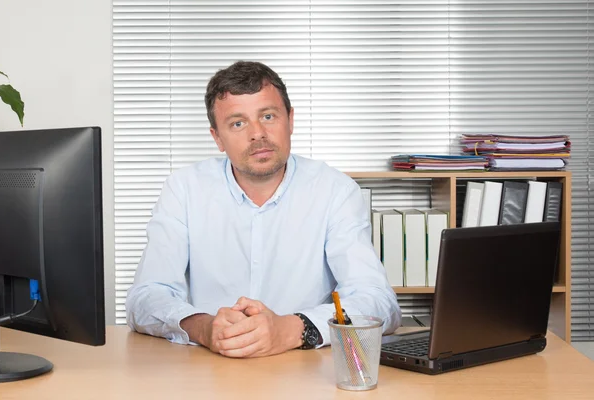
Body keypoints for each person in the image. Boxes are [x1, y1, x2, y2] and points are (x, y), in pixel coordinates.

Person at [126, 60, 401, 358]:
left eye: (268, 116)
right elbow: (146, 297)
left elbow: (379, 302)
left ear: (290, 120)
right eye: (238, 123)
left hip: (305, 370)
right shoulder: (183, 189)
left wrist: (295, 328)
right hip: (209, 369)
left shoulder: (336, 191)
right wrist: (204, 328)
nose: (257, 134)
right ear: (217, 137)